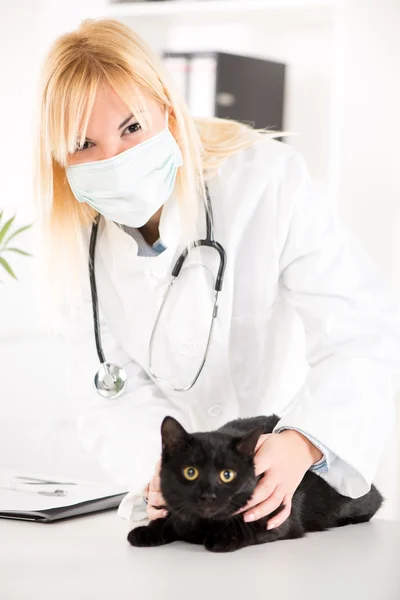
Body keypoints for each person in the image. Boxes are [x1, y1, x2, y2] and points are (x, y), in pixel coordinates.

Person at [35, 18, 399, 526]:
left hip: (288, 492)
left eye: (132, 127)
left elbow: (362, 331)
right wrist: (162, 472)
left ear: (167, 109)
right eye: (84, 143)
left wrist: (305, 440)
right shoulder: (77, 236)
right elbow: (106, 392)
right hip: (180, 507)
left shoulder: (267, 182)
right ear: (59, 156)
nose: (114, 159)